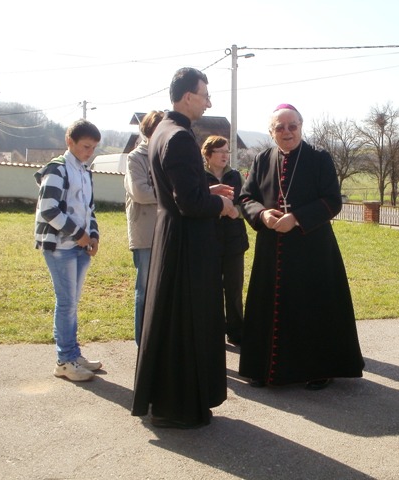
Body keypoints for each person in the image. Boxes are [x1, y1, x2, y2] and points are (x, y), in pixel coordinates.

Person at [131, 67, 238, 429]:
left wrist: (208, 191)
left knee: (173, 321)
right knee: (184, 325)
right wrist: (221, 205)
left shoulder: (163, 130)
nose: (208, 102)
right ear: (188, 96)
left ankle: (173, 401)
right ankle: (176, 406)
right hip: (185, 244)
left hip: (173, 236)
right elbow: (189, 204)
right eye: (205, 95)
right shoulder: (178, 137)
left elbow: (179, 194)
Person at [238, 103, 364, 391]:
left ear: (301, 126)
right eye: (280, 127)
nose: (287, 132)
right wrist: (262, 215)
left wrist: (296, 218)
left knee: (313, 306)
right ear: (271, 132)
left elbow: (333, 200)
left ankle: (319, 369)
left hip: (312, 247)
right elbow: (246, 198)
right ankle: (263, 368)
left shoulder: (319, 157)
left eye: (292, 126)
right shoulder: (262, 159)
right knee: (267, 305)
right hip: (272, 247)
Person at [34, 119, 103, 382]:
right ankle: (65, 360)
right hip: (61, 247)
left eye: (94, 148)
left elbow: (89, 209)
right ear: (69, 142)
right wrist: (80, 235)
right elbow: (49, 209)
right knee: (66, 304)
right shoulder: (57, 169)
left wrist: (93, 235)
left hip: (80, 247)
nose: (89, 152)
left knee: (72, 304)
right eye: (86, 146)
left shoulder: (85, 171)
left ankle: (74, 354)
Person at [202, 135, 249, 346]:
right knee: (210, 289)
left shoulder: (235, 176)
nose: (224, 155)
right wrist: (216, 209)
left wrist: (234, 212)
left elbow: (246, 204)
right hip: (208, 242)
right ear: (208, 155)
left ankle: (237, 332)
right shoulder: (199, 178)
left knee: (234, 287)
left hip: (233, 240)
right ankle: (212, 332)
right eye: (220, 151)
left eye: (227, 151)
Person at [124, 110, 164, 346]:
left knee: (164, 291)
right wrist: (171, 194)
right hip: (145, 234)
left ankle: (160, 340)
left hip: (167, 231)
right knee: (145, 290)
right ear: (148, 131)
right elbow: (140, 193)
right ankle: (143, 342)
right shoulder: (135, 158)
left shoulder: (165, 157)